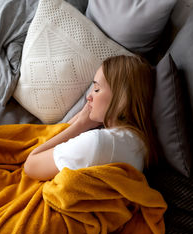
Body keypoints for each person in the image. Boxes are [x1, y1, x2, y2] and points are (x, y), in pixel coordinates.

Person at [24, 55, 159, 180]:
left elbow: (30, 165)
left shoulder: (96, 143)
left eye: (96, 89)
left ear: (122, 99)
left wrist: (81, 125)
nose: (89, 97)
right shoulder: (140, 145)